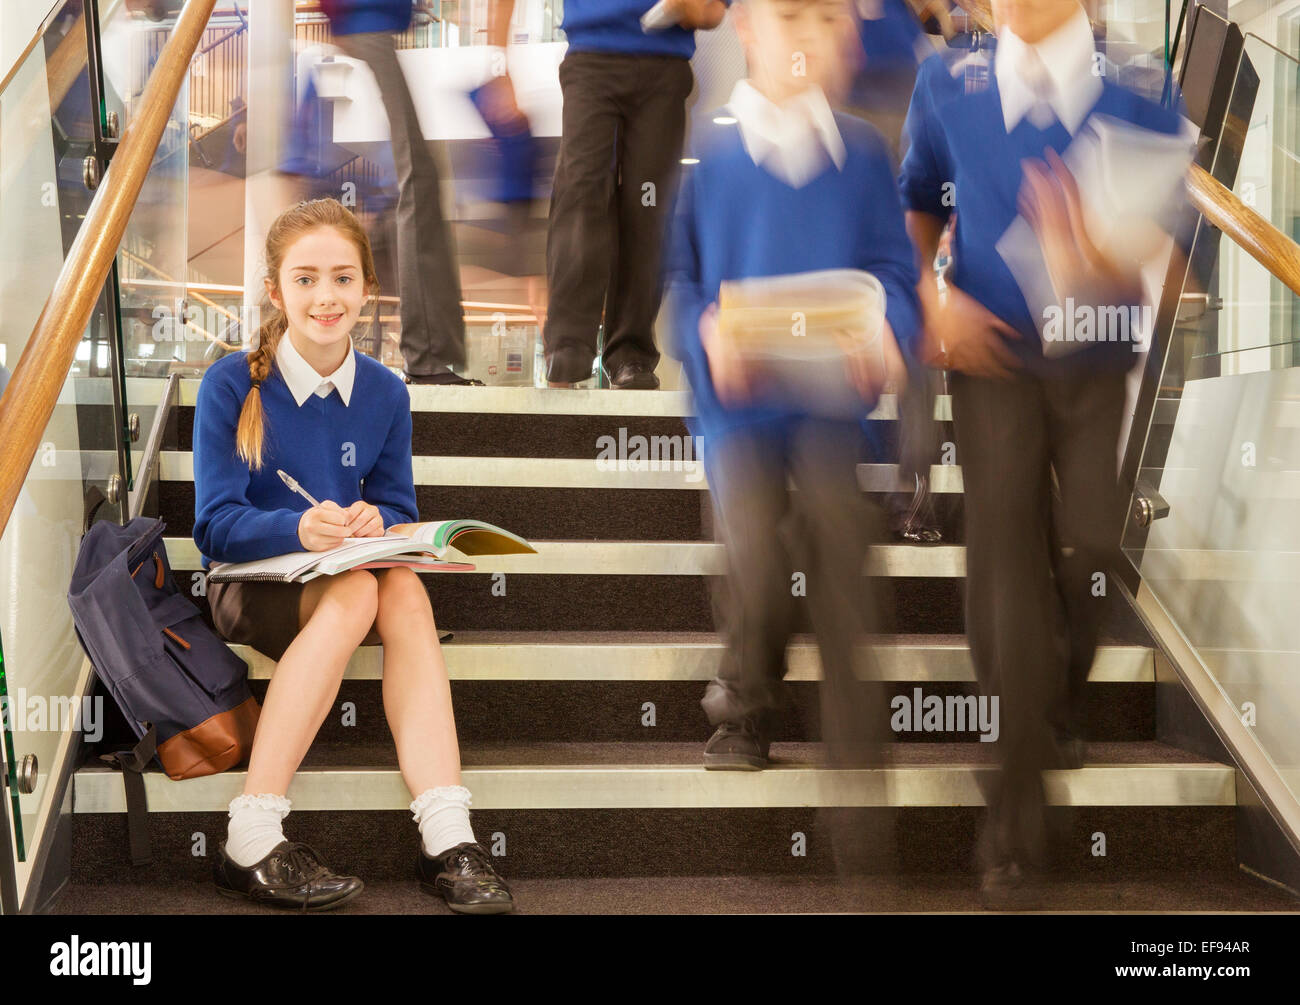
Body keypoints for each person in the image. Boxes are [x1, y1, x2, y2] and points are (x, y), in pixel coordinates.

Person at [898, 0, 1190, 905]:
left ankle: (1057, 700)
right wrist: (931, 298)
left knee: (1094, 546)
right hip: (992, 366)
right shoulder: (947, 81)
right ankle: (1014, 824)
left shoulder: (1140, 87)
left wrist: (1095, 254)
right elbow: (913, 204)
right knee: (1006, 578)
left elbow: (1173, 253)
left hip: (1095, 365)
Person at [194, 198, 512, 913]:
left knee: (398, 588)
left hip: (342, 573)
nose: (325, 297)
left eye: (341, 278)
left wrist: (380, 518)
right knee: (365, 592)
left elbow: (397, 501)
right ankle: (251, 827)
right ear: (275, 291)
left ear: (366, 288)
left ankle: (448, 837)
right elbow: (213, 526)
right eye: (304, 280)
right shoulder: (230, 385)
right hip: (253, 583)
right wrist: (296, 529)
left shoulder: (385, 392)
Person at [669, 0, 920, 773]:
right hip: (739, 411)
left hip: (829, 407)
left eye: (824, 19)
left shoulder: (864, 153)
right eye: (788, 16)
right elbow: (680, 282)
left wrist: (888, 332)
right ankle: (744, 702)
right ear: (747, 30)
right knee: (756, 556)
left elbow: (894, 272)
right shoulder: (710, 157)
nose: (808, 36)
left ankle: (854, 720)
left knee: (840, 534)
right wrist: (705, 334)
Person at [491, 0, 729, 389]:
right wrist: (499, 61)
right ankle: (568, 345)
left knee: (647, 210)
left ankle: (631, 354)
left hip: (664, 69)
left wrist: (690, 7)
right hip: (591, 59)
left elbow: (714, 11)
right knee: (581, 194)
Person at [320, 0, 480, 385]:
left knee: (420, 179)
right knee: (418, 180)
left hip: (373, 27)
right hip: (365, 26)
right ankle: (425, 360)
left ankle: (430, 355)